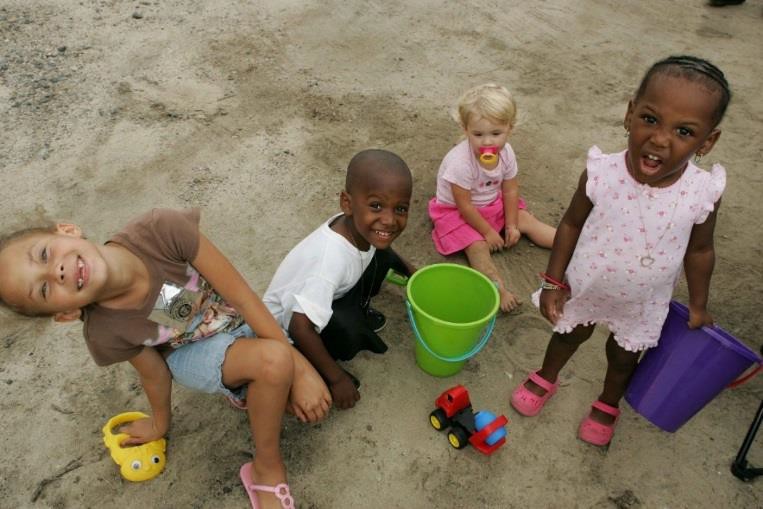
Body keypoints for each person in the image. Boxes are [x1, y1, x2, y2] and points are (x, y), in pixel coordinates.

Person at [0, 209, 332, 509]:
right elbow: (154, 372)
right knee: (275, 363)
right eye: (43, 290)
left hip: (233, 319)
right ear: (66, 313)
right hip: (189, 354)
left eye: (44, 254)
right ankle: (266, 466)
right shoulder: (105, 332)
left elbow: (241, 298)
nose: (54, 271)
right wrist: (160, 423)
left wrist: (301, 369)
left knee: (295, 386)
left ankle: (247, 386)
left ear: (67, 230)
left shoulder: (162, 231)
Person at [509, 56, 730, 446]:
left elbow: (699, 251)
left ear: (707, 142)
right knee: (567, 336)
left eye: (683, 131)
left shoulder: (701, 193)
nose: (660, 139)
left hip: (642, 301)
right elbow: (571, 224)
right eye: (650, 119)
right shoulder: (602, 173)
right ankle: (547, 375)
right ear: (630, 114)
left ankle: (607, 403)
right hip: (585, 285)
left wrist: (699, 304)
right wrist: (552, 281)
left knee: (624, 356)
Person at [264, 149, 415, 410]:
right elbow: (300, 327)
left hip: (325, 297)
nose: (390, 220)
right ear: (347, 203)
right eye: (376, 205)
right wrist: (337, 379)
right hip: (286, 330)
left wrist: (416, 275)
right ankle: (319, 369)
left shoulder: (357, 227)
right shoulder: (328, 263)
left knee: (382, 256)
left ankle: (359, 311)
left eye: (400, 208)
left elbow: (385, 251)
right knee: (346, 329)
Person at [428, 83, 556, 313]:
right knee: (476, 246)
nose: (487, 142)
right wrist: (488, 232)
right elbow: (464, 206)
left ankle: (572, 245)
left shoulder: (507, 153)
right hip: (458, 212)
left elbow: (510, 190)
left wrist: (512, 224)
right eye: (478, 134)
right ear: (465, 129)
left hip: (490, 203)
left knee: (526, 219)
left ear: (510, 128)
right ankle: (498, 289)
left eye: (496, 134)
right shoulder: (461, 163)